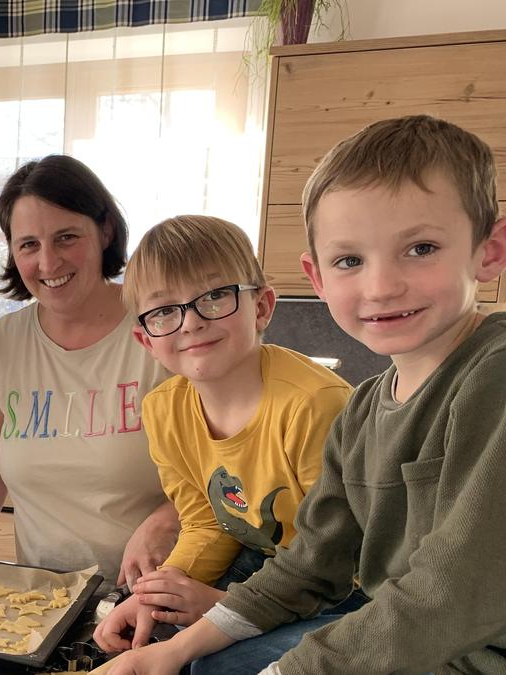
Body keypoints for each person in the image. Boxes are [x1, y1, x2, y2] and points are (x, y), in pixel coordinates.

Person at [105, 115, 506, 675]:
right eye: (350, 260)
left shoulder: (494, 377)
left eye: (420, 248)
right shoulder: (365, 412)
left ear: (490, 250)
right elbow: (309, 567)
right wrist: (163, 657)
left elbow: (448, 597)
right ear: (317, 279)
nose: (381, 285)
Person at [92, 215, 353, 653]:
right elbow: (207, 522)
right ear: (145, 338)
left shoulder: (313, 404)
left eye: (214, 297)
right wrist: (153, 596)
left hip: (351, 583)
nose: (191, 322)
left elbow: (335, 559)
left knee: (220, 665)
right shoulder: (164, 410)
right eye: (164, 311)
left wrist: (223, 607)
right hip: (266, 564)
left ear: (263, 307)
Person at [0, 155, 179, 587]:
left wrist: (166, 518)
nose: (48, 263)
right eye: (28, 244)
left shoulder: (161, 329)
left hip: (151, 598)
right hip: (42, 601)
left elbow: (225, 475)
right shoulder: (7, 341)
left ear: (104, 231)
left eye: (66, 238)